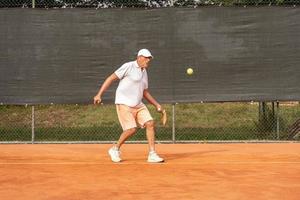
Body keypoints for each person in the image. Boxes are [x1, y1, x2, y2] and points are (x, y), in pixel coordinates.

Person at [93, 49, 164, 163]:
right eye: (146, 58)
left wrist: (156, 104)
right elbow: (111, 78)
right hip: (124, 102)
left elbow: (145, 91)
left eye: (149, 58)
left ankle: (152, 154)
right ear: (139, 57)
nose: (148, 60)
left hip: (138, 104)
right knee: (131, 129)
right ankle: (115, 149)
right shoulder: (128, 66)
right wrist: (99, 94)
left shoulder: (144, 71)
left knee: (150, 123)